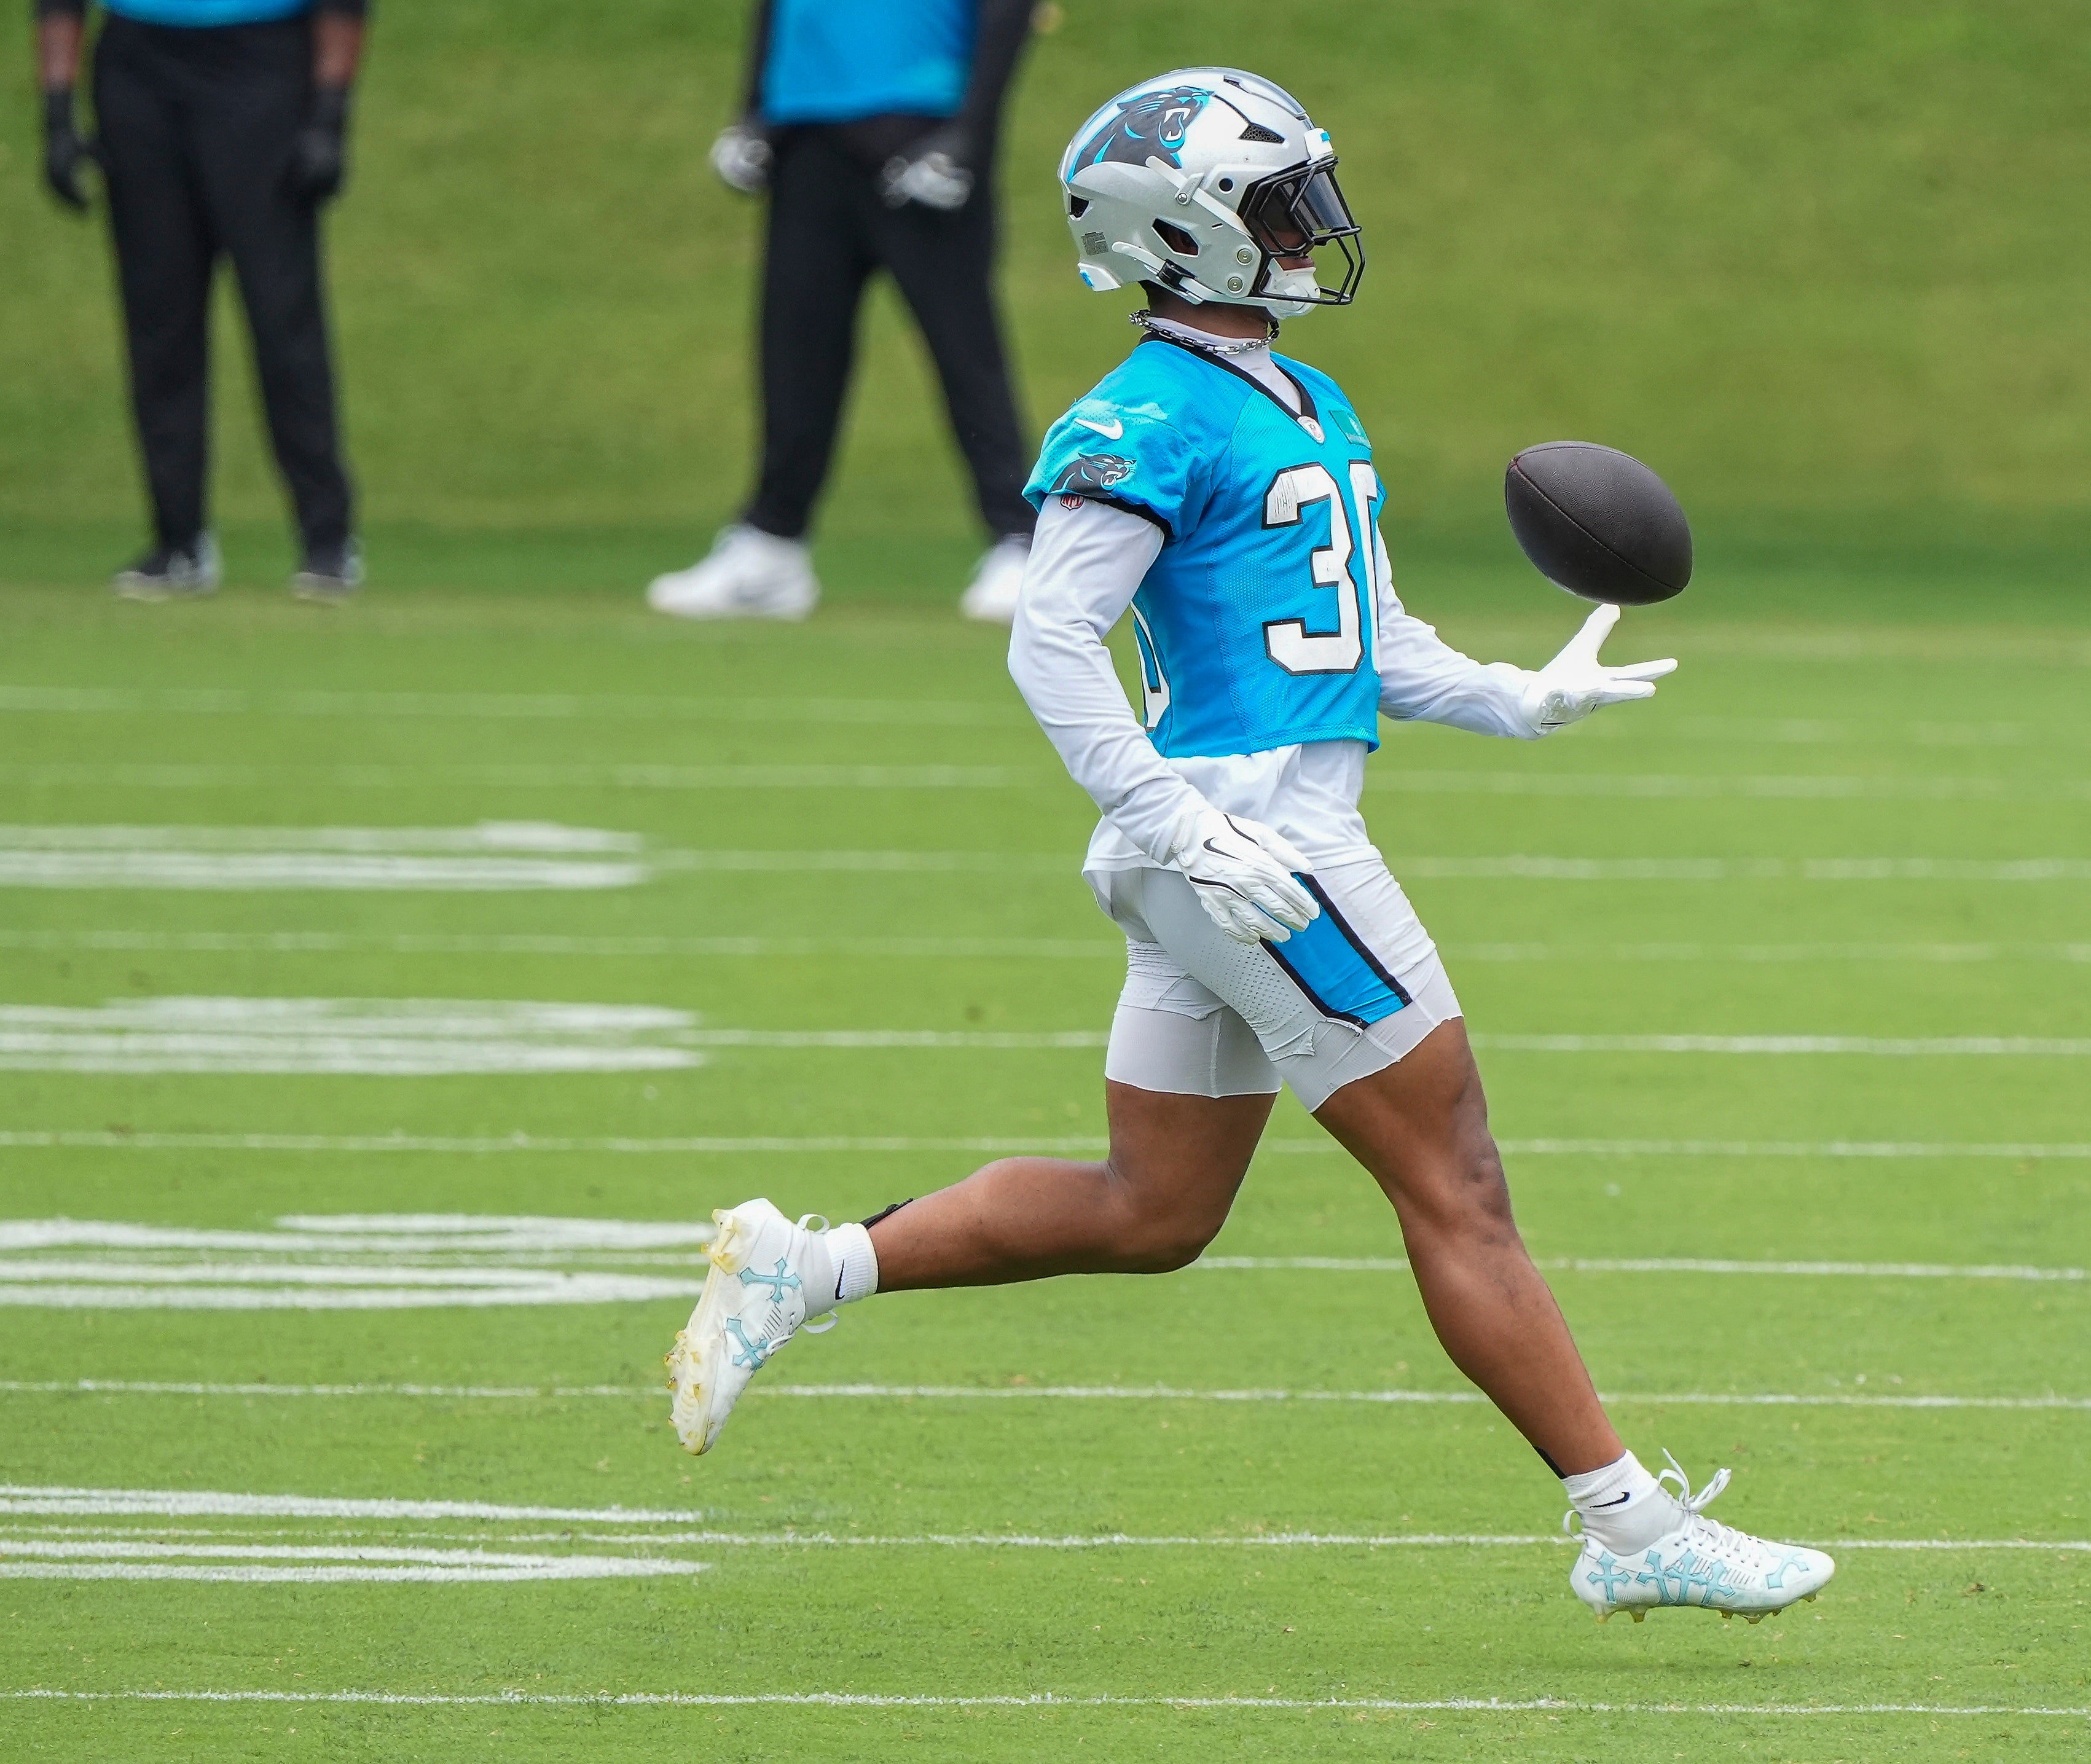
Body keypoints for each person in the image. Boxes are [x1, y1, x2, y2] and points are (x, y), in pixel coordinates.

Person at [662, 68, 1838, 1626]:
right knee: (1458, 1180)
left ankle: (797, 1271)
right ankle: (1626, 1527)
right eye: (1283, 202)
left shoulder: (1296, 390)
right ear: (1189, 232)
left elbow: (1355, 632)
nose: (1314, 226)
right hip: (1256, 848)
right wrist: (1177, 822)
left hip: (1232, 844)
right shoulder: (1139, 415)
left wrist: (1506, 695)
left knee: (1154, 1209)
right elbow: (1052, 644)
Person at [646, 0, 1042, 624]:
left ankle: (1022, 541)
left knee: (963, 347)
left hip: (920, 128)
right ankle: (772, 544)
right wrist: (751, 112)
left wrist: (970, 132)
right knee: (796, 348)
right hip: (804, 130)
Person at [36, 0, 367, 602]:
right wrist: (57, 113)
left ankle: (327, 538)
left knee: (280, 311)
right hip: (139, 65)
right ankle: (178, 540)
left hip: (262, 62)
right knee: (159, 317)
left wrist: (329, 114)